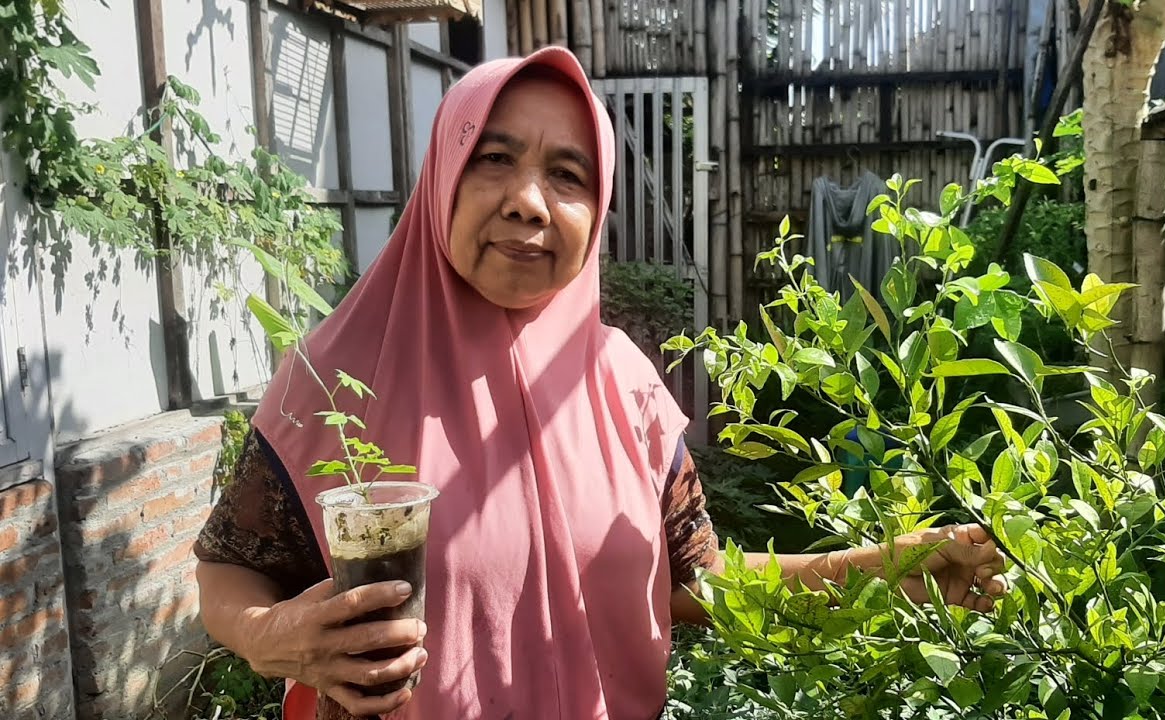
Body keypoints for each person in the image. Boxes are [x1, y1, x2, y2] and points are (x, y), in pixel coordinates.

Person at [192, 46, 1008, 720]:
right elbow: (228, 571)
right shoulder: (337, 383)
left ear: (599, 206)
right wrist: (272, 634)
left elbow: (699, 587)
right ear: (442, 177)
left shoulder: (624, 386)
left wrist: (892, 568)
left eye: (568, 176)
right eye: (494, 160)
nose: (528, 203)